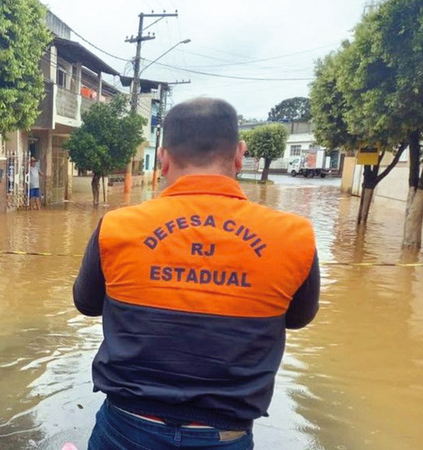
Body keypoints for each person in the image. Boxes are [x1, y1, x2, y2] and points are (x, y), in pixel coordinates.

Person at [73, 98, 319, 449]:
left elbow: (86, 303)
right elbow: (297, 318)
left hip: (127, 429)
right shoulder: (294, 236)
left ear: (163, 158)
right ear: (239, 154)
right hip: (225, 435)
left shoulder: (117, 227)